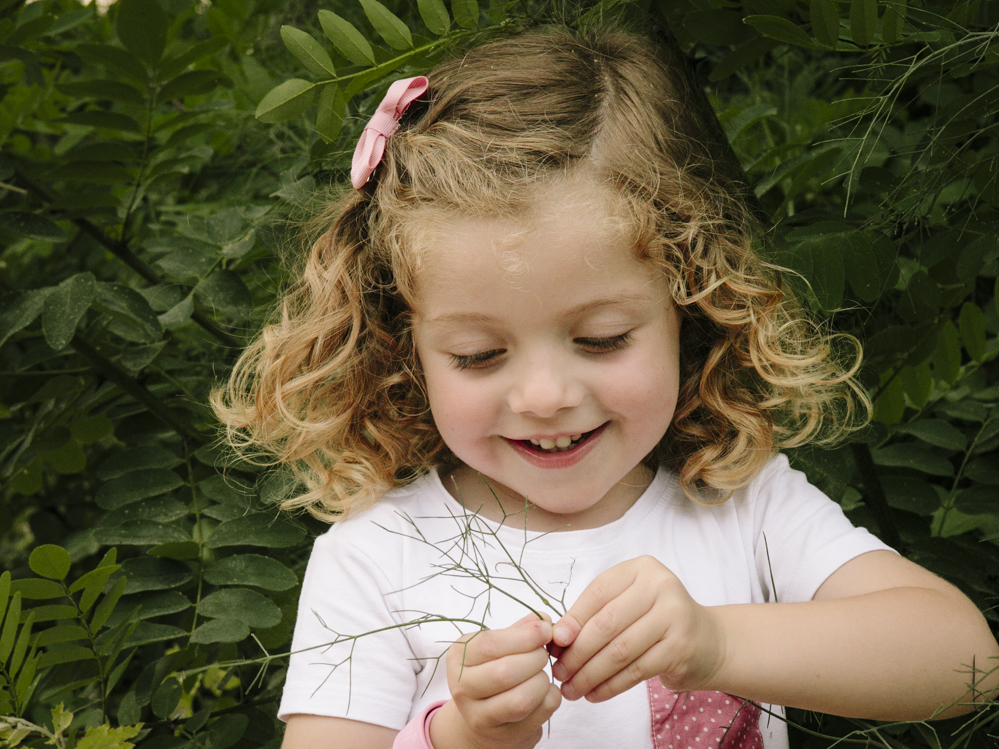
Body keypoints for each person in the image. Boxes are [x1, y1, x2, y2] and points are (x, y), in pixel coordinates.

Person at [213, 24, 999, 749]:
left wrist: (716, 642)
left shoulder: (739, 502)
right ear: (403, 343)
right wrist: (461, 737)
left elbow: (965, 660)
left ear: (688, 307)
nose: (546, 394)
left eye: (601, 339)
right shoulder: (377, 555)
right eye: (480, 354)